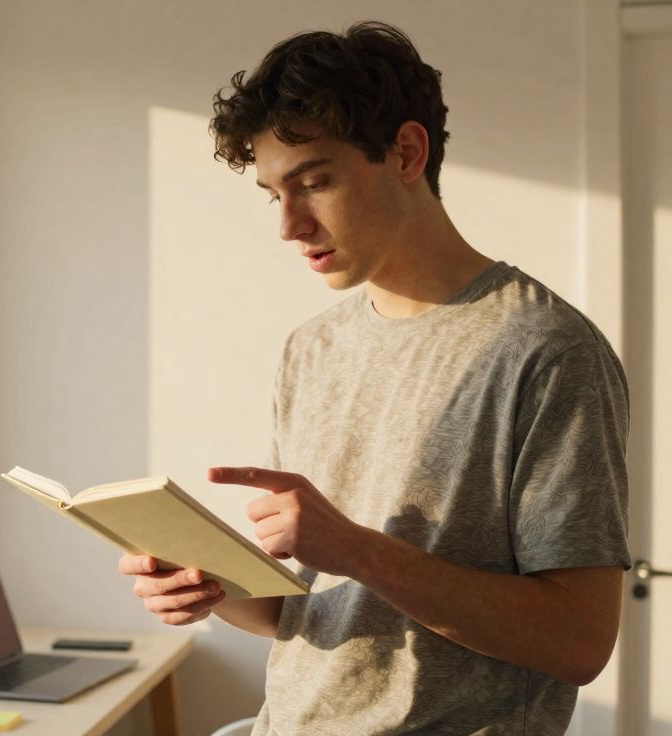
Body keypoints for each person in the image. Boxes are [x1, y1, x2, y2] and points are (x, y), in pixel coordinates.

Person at [117, 21, 632, 735]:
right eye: (273, 194)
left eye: (314, 183)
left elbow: (577, 641)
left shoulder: (546, 350)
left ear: (407, 153)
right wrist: (210, 587)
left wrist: (356, 549)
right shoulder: (311, 349)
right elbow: (305, 611)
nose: (289, 226)